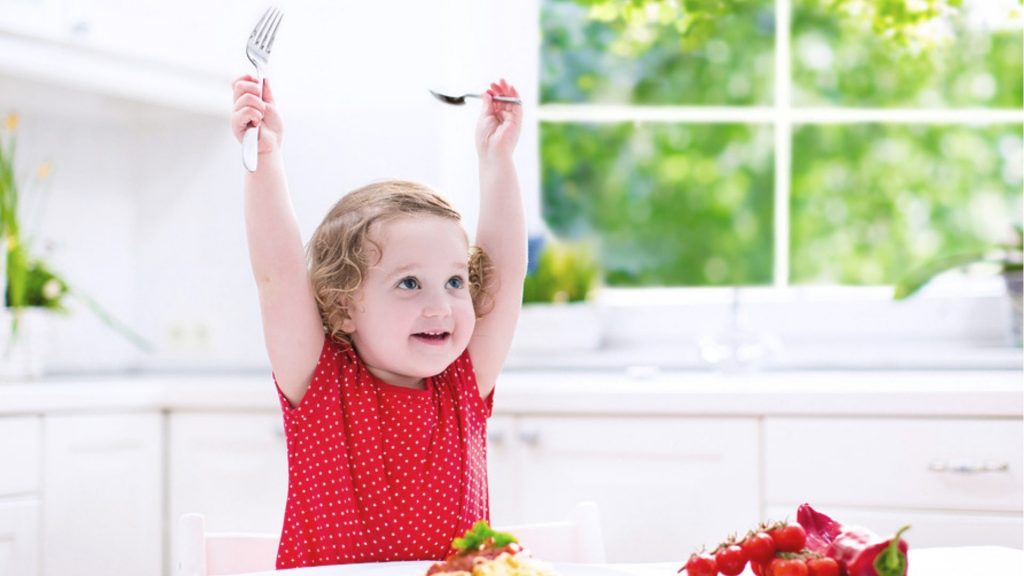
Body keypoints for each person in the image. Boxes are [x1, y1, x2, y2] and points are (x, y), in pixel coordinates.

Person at [230, 75, 525, 567]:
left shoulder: (462, 384)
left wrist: (498, 161)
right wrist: (265, 158)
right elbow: (277, 278)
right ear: (345, 305)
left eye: (455, 282)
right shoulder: (322, 383)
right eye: (409, 284)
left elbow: (506, 275)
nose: (442, 306)